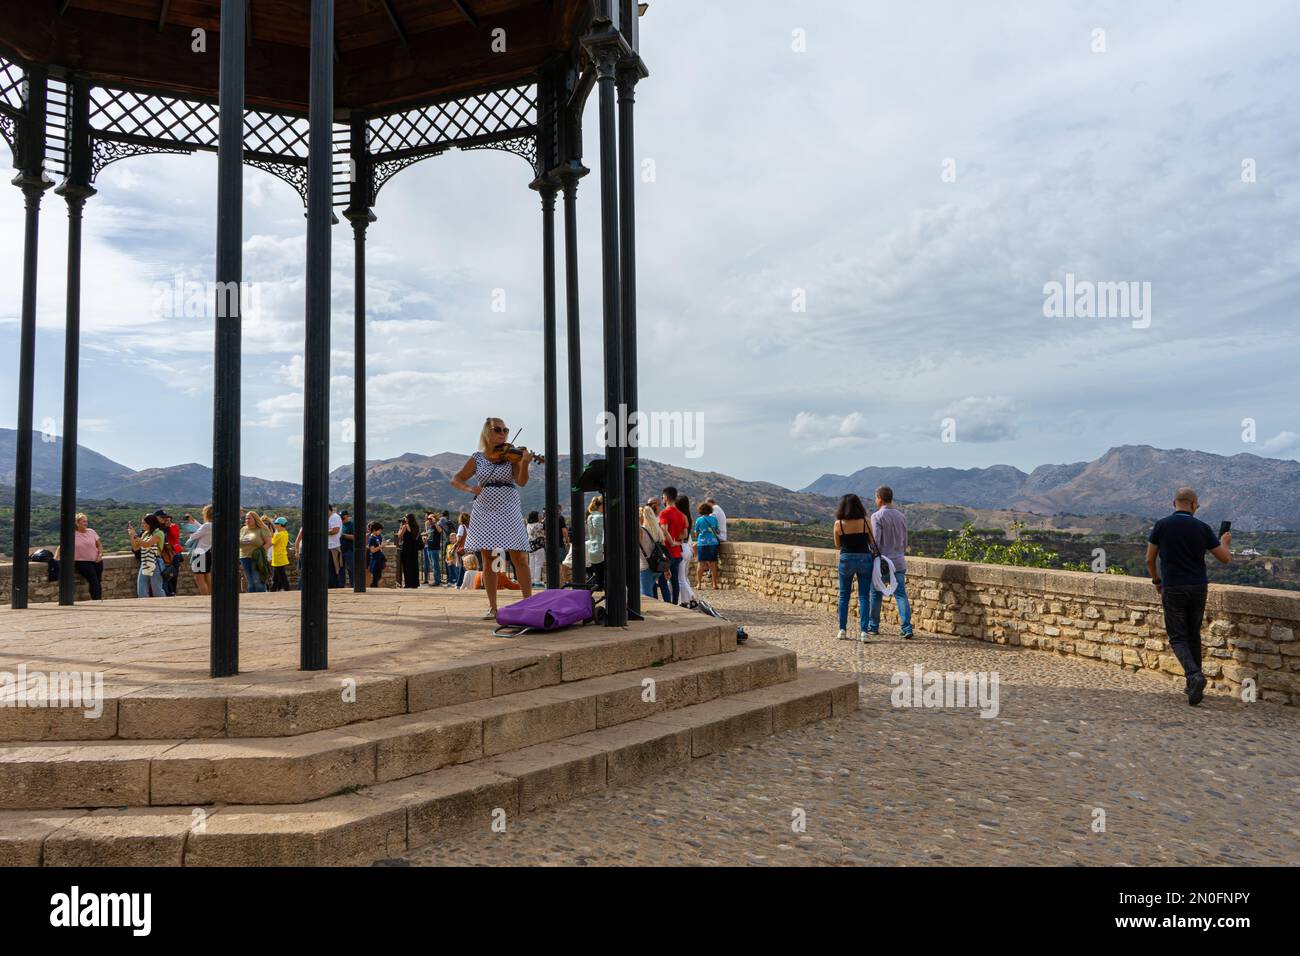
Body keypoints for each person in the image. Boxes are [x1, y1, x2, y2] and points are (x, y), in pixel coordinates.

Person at [1146, 486, 1231, 706]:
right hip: (1198, 587)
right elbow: (1224, 558)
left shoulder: (1161, 525)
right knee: (1193, 634)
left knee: (1177, 637)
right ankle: (1193, 683)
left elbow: (1149, 559)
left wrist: (1157, 581)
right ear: (1193, 504)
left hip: (1173, 587)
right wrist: (1225, 542)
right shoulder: (1202, 527)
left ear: (1174, 503)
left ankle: (1194, 676)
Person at [450, 418, 535, 619]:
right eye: (498, 429)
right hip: (484, 508)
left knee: (519, 556)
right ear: (487, 433)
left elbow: (521, 482)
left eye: (505, 429)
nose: (503, 433)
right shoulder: (477, 458)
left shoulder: (512, 456)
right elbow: (456, 479)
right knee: (488, 559)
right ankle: (493, 607)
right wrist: (471, 488)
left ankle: (529, 604)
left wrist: (524, 463)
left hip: (508, 505)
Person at [867, 485, 913, 639]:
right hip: (899, 561)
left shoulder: (876, 517)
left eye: (876, 497)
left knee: (875, 594)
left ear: (879, 499)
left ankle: (873, 626)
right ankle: (907, 628)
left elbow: (876, 543)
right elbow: (905, 541)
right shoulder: (902, 516)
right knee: (901, 595)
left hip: (882, 563)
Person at [834, 494, 876, 642]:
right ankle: (864, 631)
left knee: (844, 595)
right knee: (864, 595)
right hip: (864, 558)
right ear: (859, 506)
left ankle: (842, 630)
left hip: (846, 558)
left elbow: (838, 545)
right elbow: (871, 541)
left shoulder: (838, 524)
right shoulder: (865, 521)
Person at [53, 513, 103, 600]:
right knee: (93, 580)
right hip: (82, 562)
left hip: (97, 561)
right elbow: (61, 546)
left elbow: (99, 545)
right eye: (83, 521)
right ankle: (97, 600)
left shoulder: (92, 532)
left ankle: (98, 599)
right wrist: (56, 558)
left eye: (86, 521)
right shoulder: (72, 534)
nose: (86, 523)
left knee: (98, 582)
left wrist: (100, 555)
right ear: (77, 523)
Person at [658, 486, 686, 606]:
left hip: (668, 553)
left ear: (666, 498)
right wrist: (677, 541)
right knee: (675, 580)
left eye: (662, 497)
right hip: (677, 553)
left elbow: (664, 530)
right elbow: (684, 533)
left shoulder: (664, 513)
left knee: (662, 581)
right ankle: (675, 603)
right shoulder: (681, 515)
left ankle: (668, 604)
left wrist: (672, 541)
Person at [128, 514, 167, 598]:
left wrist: (135, 535)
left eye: (144, 523)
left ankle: (165, 606)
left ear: (150, 523)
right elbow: (136, 548)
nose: (142, 525)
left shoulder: (159, 533)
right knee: (141, 589)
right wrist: (132, 536)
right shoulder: (145, 534)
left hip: (155, 562)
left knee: (157, 590)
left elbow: (147, 544)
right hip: (145, 562)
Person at [638, 504, 670, 602]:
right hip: (657, 567)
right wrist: (667, 569)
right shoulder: (657, 530)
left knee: (646, 595)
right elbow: (663, 550)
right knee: (648, 593)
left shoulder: (641, 531)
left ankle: (650, 614)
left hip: (645, 567)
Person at [239, 511, 272, 593]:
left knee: (258, 582)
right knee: (250, 582)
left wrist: (259, 552)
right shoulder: (243, 529)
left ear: (255, 519)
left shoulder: (262, 529)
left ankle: (262, 600)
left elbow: (269, 543)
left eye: (249, 518)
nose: (247, 520)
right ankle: (253, 601)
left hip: (257, 559)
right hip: (244, 558)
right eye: (246, 518)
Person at [184, 506, 214, 595]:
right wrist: (194, 522)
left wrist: (190, 530)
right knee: (207, 576)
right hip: (208, 552)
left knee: (199, 578)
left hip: (199, 553)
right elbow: (202, 528)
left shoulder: (207, 526)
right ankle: (211, 596)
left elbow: (194, 536)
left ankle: (205, 598)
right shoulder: (213, 525)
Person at [674, 494, 697, 608]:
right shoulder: (687, 516)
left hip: (681, 548)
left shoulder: (680, 516)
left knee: (680, 578)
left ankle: (688, 600)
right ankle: (689, 599)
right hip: (687, 549)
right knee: (684, 577)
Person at [693, 501, 722, 591]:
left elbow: (696, 533)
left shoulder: (699, 520)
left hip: (702, 543)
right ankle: (715, 584)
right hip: (713, 543)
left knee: (701, 564)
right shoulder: (714, 519)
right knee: (713, 564)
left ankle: (699, 584)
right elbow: (718, 531)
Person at [585, 496, 606, 590]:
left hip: (593, 550)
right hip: (602, 552)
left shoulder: (590, 516)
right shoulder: (601, 517)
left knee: (599, 580)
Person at [398, 512, 422, 589]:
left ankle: (408, 584)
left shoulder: (405, 526)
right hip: (414, 549)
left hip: (407, 548)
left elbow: (399, 535)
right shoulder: (416, 526)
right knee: (414, 566)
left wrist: (401, 526)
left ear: (408, 519)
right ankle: (415, 583)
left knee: (407, 567)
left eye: (405, 518)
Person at [269, 516, 292, 591]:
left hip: (278, 558)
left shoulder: (279, 534)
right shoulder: (285, 533)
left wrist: (271, 533)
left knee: (282, 576)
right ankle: (273, 590)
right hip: (281, 557)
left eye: (276, 523)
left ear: (280, 525)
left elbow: (272, 542)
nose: (275, 525)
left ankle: (287, 589)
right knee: (276, 576)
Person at [526, 510, 546, 587]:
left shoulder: (528, 525)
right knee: (538, 564)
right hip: (539, 546)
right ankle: (537, 581)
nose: (540, 516)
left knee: (531, 564)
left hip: (530, 546)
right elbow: (545, 525)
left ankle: (531, 580)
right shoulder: (538, 525)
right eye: (538, 515)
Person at [423, 513, 444, 586]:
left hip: (435, 548)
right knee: (433, 565)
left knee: (435, 565)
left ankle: (437, 581)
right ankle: (436, 580)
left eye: (430, 518)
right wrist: (426, 539)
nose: (429, 520)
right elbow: (430, 536)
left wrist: (435, 522)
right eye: (428, 518)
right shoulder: (430, 527)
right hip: (429, 547)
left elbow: (440, 530)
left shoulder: (437, 525)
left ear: (434, 518)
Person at [327, 504, 343, 587]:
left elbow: (335, 530)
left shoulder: (334, 517)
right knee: (330, 569)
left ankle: (333, 586)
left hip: (333, 547)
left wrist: (321, 531)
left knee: (333, 569)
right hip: (329, 546)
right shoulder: (330, 518)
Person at [366, 521, 387, 588]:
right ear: (374, 530)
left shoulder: (377, 537)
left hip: (379, 558)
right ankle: (373, 587)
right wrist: (381, 546)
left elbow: (379, 548)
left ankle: (374, 586)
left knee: (379, 575)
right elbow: (372, 550)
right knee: (376, 576)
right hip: (375, 559)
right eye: (379, 530)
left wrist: (383, 545)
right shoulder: (371, 538)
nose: (380, 532)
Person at [339, 509, 355, 588]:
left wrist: (343, 535)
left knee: (351, 569)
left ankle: (353, 585)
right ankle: (341, 585)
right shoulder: (340, 525)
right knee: (340, 570)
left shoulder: (351, 525)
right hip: (340, 550)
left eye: (343, 518)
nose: (341, 519)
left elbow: (354, 537)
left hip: (349, 550)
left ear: (348, 517)